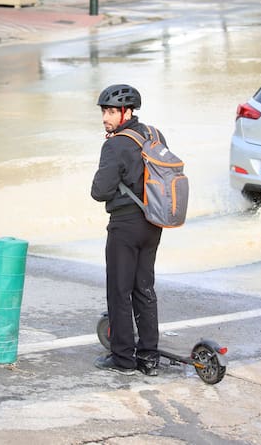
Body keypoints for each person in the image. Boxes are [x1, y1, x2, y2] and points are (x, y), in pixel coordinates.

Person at [90, 84, 164, 376]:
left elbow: (99, 191)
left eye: (111, 111)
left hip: (125, 224)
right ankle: (149, 357)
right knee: (144, 288)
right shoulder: (154, 135)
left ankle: (122, 358)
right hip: (154, 221)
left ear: (127, 112)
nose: (105, 118)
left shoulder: (115, 145)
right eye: (104, 111)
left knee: (119, 291)